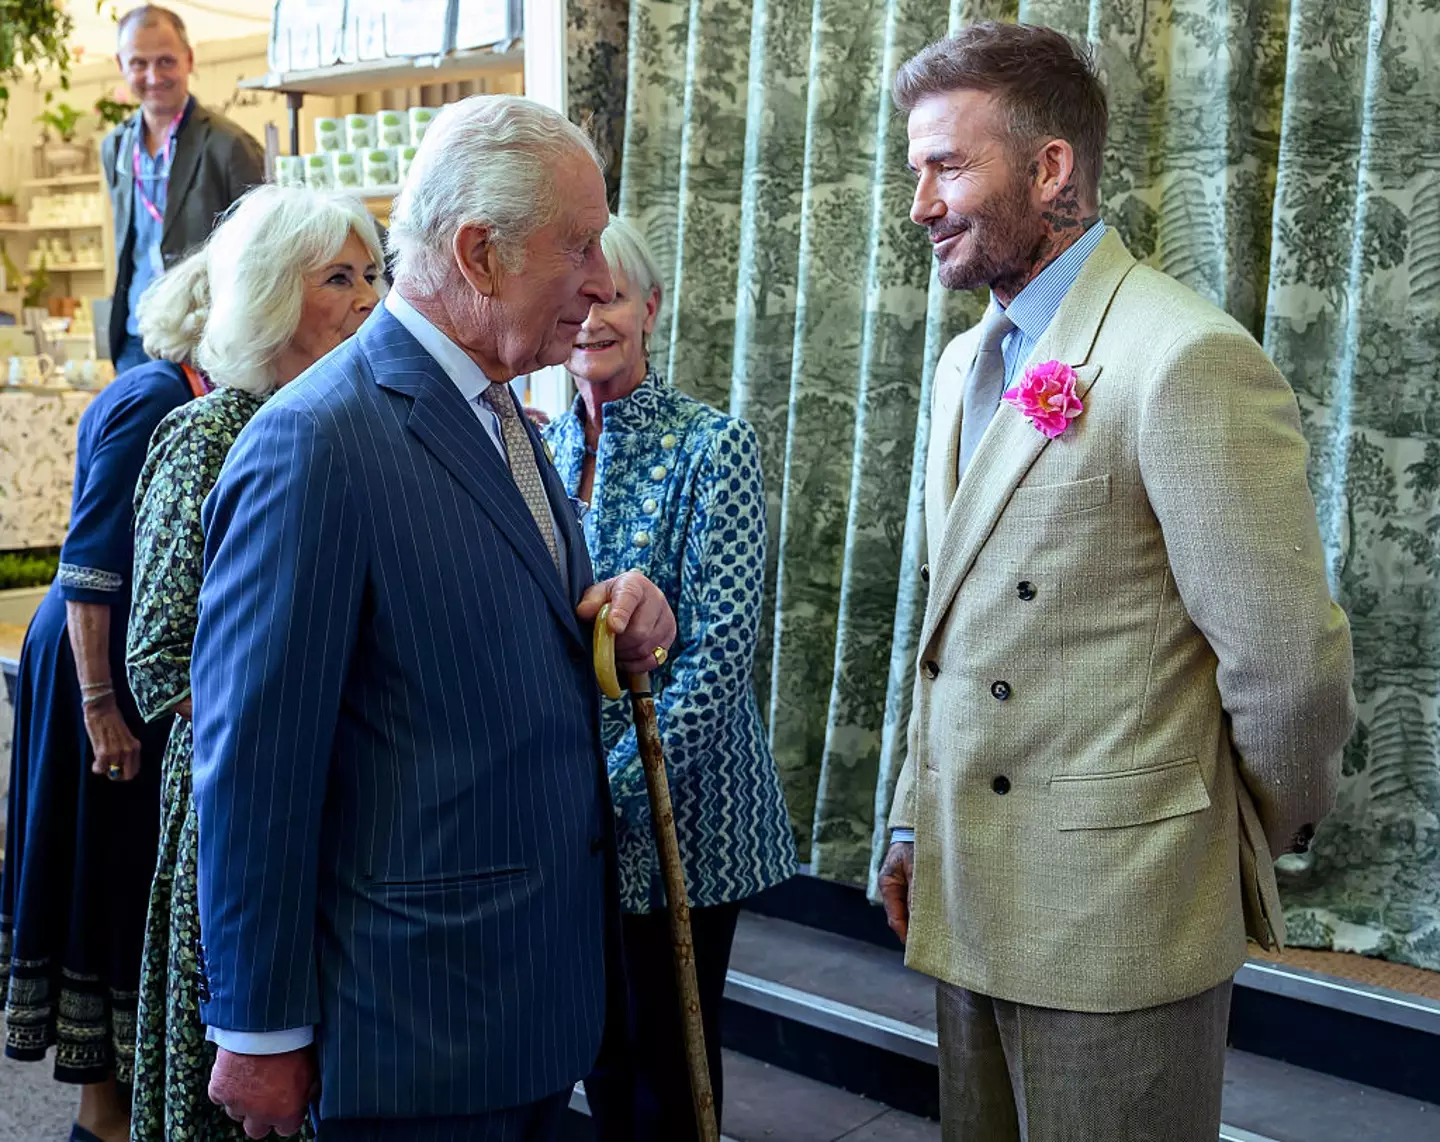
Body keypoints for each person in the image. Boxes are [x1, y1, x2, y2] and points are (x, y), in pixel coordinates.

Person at [877, 23, 1355, 1142]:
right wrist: (910, 820)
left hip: (1118, 918)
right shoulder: (961, 363)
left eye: (948, 166)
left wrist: (1214, 838)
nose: (920, 204)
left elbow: (1288, 667)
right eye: (916, 171)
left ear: (1050, 169)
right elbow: (954, 626)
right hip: (965, 886)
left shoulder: (1182, 357)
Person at [191, 95, 677, 1142]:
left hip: (530, 1007)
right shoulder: (314, 443)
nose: (601, 279)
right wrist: (261, 1028)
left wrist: (613, 619)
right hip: (416, 1034)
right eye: (578, 245)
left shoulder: (504, 409)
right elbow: (255, 764)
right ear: (479, 254)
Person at [124, 184, 383, 1142]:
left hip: (349, 813)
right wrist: (288, 715)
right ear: (274, 295)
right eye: (339, 278)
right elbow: (157, 659)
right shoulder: (206, 434)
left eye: (375, 274)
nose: (369, 297)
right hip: (243, 820)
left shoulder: (364, 422)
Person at [545, 215, 797, 1141]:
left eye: (612, 297)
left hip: (686, 814)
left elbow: (722, 651)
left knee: (672, 1058)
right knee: (601, 1047)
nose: (592, 318)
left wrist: (601, 797)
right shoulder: (540, 446)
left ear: (650, 308)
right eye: (580, 297)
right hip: (577, 812)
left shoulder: (712, 445)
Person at [0, 251, 212, 1142]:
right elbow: (89, 566)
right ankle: (104, 1111)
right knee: (108, 869)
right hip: (97, 661)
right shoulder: (157, 398)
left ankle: (110, 1105)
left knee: (118, 868)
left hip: (114, 656)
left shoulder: (170, 390)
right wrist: (99, 706)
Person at [101, 4, 264, 374]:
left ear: (189, 60)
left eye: (166, 61)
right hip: (135, 339)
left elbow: (260, 252)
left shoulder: (229, 145)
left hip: (204, 341)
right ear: (121, 65)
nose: (154, 76)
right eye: (139, 63)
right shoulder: (115, 147)